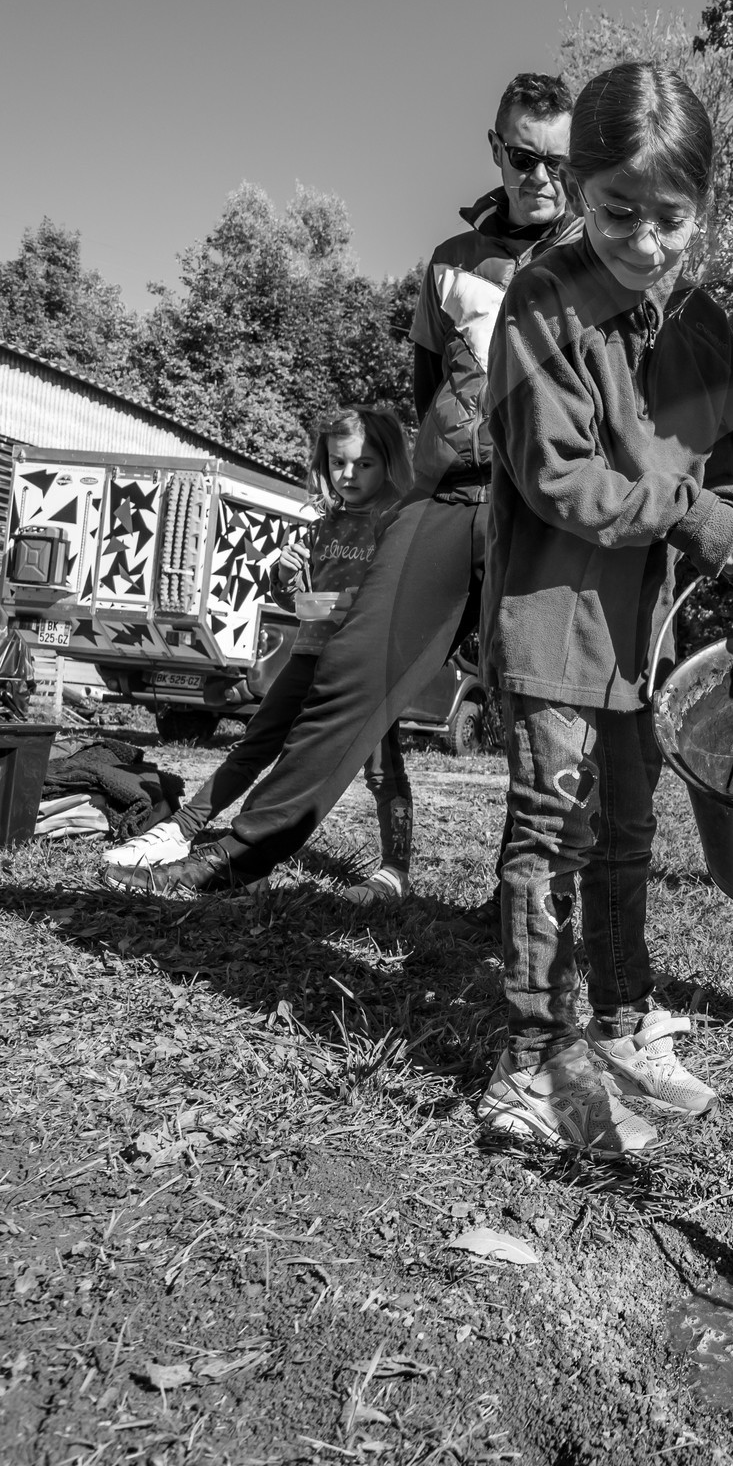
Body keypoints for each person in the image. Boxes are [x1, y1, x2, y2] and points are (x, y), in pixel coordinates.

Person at [105, 73, 580, 897]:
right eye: (523, 155)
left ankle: (522, 898)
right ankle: (236, 855)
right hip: (448, 495)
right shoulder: (450, 264)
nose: (541, 176)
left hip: (543, 503)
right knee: (349, 669)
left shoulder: (594, 255)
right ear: (496, 149)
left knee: (535, 705)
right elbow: (432, 384)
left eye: (560, 160)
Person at [475, 62, 733, 1155]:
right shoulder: (542, 302)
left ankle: (616, 1028)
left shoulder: (701, 327)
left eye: (671, 218)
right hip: (553, 613)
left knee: (624, 834)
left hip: (641, 635)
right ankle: (528, 1058)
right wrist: (692, 515)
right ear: (577, 186)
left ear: (701, 209)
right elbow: (555, 473)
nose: (646, 241)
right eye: (619, 211)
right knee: (549, 832)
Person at [106, 409, 415, 903]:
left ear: (389, 463)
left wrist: (326, 603)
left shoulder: (395, 521)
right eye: (338, 463)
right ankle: (181, 829)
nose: (349, 475)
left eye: (365, 465)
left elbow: (386, 601)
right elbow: (297, 603)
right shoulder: (324, 523)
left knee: (382, 768)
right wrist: (286, 575)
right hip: (309, 653)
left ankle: (395, 869)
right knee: (255, 744)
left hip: (366, 666)